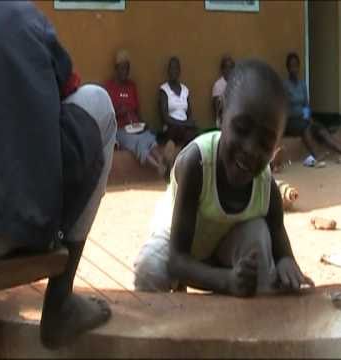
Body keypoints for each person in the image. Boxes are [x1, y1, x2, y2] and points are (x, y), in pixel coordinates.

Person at [0, 1, 114, 349]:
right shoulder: (23, 17)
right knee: (96, 102)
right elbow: (68, 93)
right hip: (4, 236)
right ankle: (60, 305)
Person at [133, 59, 314, 295]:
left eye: (265, 142)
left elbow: (280, 243)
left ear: (276, 147)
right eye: (241, 129)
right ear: (220, 114)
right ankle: (165, 325)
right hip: (178, 244)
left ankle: (251, 322)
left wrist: (286, 264)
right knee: (149, 269)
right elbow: (177, 260)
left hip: (222, 247)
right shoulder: (196, 164)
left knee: (258, 233)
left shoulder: (265, 185)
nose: (250, 149)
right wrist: (226, 281)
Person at [283, 52, 341, 168]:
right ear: (287, 68)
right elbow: (286, 109)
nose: (294, 69)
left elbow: (306, 104)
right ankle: (317, 154)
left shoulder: (302, 85)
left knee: (319, 127)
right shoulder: (284, 85)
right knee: (306, 127)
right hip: (291, 121)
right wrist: (302, 115)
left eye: (296, 66)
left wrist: (307, 116)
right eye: (291, 66)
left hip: (303, 120)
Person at [104, 50, 167, 177]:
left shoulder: (131, 86)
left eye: (127, 68)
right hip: (120, 130)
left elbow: (137, 110)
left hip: (135, 126)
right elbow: (107, 116)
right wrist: (118, 112)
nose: (125, 72)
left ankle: (162, 161)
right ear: (116, 69)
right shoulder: (109, 87)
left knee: (149, 138)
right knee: (137, 142)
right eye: (122, 68)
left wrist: (143, 124)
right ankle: (158, 168)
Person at [159, 57, 198, 148]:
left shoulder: (185, 90)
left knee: (193, 134)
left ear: (179, 71)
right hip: (171, 127)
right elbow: (165, 117)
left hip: (184, 127)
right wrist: (184, 123)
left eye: (176, 68)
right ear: (168, 71)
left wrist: (189, 123)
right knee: (178, 131)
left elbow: (189, 114)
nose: (174, 71)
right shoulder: (164, 90)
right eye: (171, 68)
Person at [212, 54, 235, 128]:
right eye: (226, 67)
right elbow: (217, 108)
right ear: (222, 69)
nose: (229, 70)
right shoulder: (218, 85)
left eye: (231, 67)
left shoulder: (237, 82)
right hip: (223, 118)